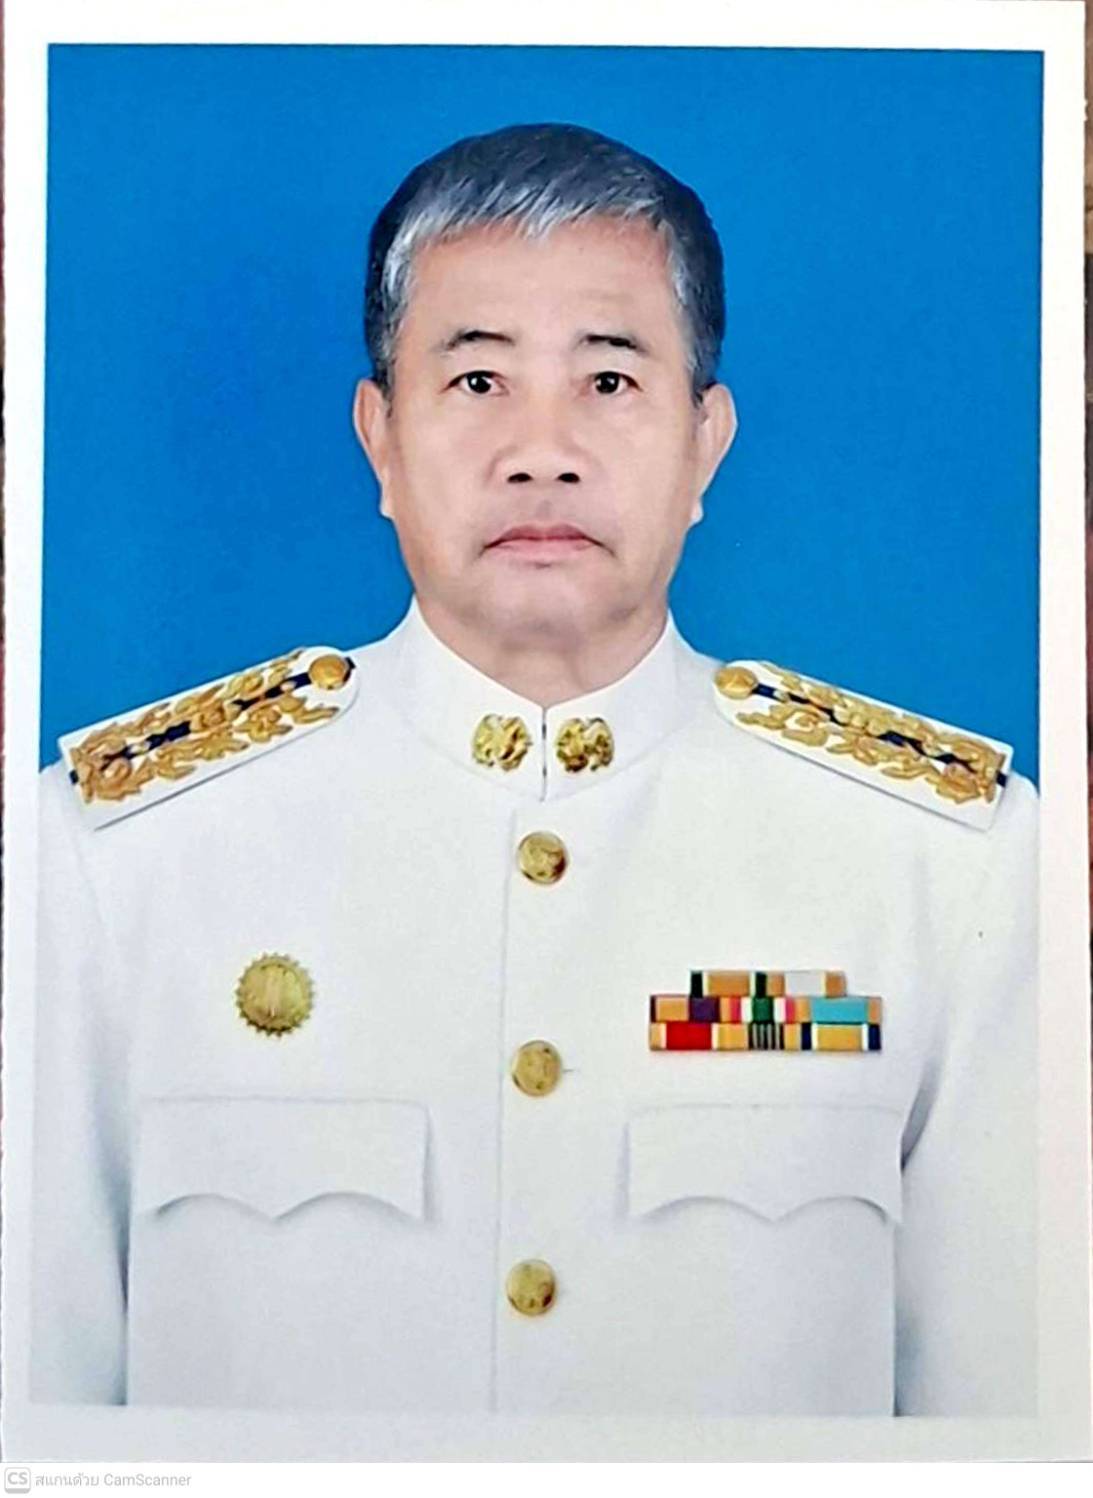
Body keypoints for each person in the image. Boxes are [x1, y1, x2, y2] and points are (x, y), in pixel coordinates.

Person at [32, 123, 1036, 1417]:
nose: (542, 449)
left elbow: (1007, 1423)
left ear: (705, 442)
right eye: (477, 380)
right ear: (380, 438)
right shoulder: (116, 857)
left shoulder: (942, 866)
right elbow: (36, 1406)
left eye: (609, 380)